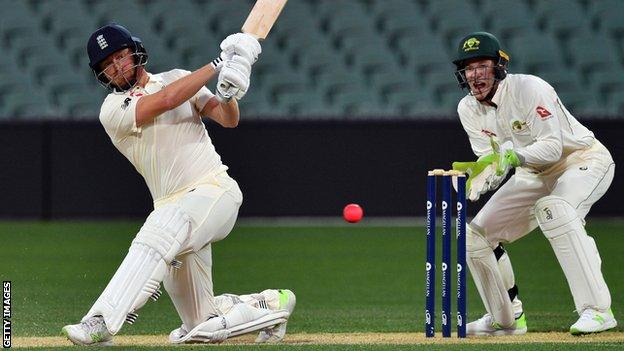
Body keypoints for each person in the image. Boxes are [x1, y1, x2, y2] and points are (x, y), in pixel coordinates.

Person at [61, 24, 296, 346]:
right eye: (107, 64)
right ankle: (270, 305)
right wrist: (219, 64)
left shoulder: (177, 77)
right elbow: (167, 100)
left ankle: (100, 321)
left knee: (161, 230)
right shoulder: (112, 110)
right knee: (201, 326)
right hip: (171, 206)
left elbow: (229, 119)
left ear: (134, 51)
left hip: (213, 191)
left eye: (119, 56)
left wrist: (228, 93)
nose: (116, 66)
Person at [450, 31, 616, 336]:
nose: (475, 76)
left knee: (555, 209)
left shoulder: (529, 88)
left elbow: (553, 147)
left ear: (499, 67)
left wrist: (514, 157)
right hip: (532, 175)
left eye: (482, 66)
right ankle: (506, 319)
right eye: (469, 69)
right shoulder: (468, 110)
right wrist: (479, 177)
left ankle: (597, 311)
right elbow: (493, 160)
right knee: (474, 237)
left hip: (581, 160)